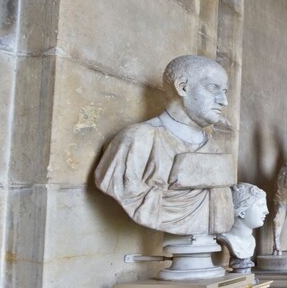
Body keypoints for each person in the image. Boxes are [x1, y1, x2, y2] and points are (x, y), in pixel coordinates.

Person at [95, 55, 235, 236]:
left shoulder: (214, 149)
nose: (224, 101)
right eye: (212, 88)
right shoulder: (138, 139)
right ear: (182, 87)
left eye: (224, 91)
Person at [219, 183, 268, 272]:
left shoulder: (251, 241)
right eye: (260, 205)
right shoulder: (228, 238)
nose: (266, 211)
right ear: (242, 211)